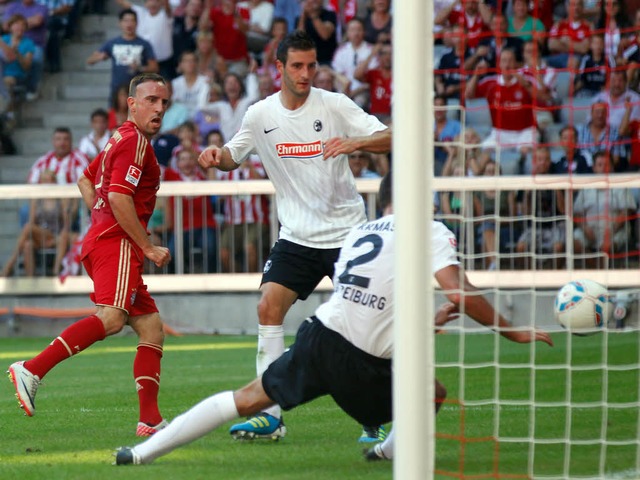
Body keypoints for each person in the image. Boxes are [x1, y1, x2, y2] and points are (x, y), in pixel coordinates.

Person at [113, 172, 553, 466]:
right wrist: (512, 330)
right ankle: (386, 452)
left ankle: (140, 455)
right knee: (431, 393)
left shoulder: (360, 233)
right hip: (360, 363)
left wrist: (433, 321)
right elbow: (459, 291)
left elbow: (373, 311)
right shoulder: (429, 230)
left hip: (320, 337)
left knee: (245, 399)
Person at [196, 30, 392, 442]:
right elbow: (235, 154)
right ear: (279, 68)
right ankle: (269, 414)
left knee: (362, 327)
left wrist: (356, 141)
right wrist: (218, 158)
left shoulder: (334, 104)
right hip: (297, 237)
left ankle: (372, 418)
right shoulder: (260, 114)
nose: (306, 74)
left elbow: (393, 136)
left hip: (347, 236)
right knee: (268, 306)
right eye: (297, 66)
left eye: (311, 65)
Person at [7, 73, 172, 437]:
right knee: (112, 318)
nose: (159, 108)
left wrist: (99, 218)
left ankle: (150, 419)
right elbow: (117, 197)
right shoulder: (136, 144)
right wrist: (146, 245)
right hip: (118, 244)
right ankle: (32, 369)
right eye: (151, 100)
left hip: (105, 239)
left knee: (151, 328)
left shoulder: (120, 138)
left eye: (164, 102)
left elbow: (85, 179)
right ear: (132, 103)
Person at [2, 169, 73, 277]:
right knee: (27, 244)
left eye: (49, 181)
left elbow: (66, 223)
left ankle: (10, 265)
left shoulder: (61, 198)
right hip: (41, 236)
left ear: (54, 182)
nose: (46, 184)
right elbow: (32, 222)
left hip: (55, 235)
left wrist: (62, 236)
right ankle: (31, 279)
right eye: (44, 181)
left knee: (27, 228)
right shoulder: (37, 199)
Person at [573, 150, 637, 264]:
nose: (603, 168)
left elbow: (627, 211)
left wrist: (611, 230)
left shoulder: (620, 186)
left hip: (615, 230)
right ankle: (595, 267)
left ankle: (598, 270)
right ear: (594, 168)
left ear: (612, 167)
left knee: (606, 248)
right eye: (599, 165)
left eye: (606, 165)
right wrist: (585, 228)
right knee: (573, 243)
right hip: (589, 229)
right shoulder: (586, 188)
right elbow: (577, 213)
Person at [86, 8, 159, 107]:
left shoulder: (144, 44)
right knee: (115, 120)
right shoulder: (112, 43)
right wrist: (101, 57)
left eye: (132, 20)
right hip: (117, 90)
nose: (129, 24)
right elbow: (90, 60)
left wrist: (140, 68)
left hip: (137, 91)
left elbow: (154, 67)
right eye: (125, 20)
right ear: (120, 23)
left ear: (137, 23)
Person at [116, 0, 174, 80]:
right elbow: (122, 2)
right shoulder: (140, 13)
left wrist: (166, 3)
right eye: (149, 1)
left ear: (160, 3)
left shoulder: (165, 15)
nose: (152, 3)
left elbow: (168, 9)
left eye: (155, 1)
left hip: (164, 63)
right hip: (144, 63)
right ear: (145, 4)